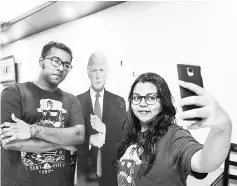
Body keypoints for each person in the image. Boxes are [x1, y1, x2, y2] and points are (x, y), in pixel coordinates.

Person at [116, 72, 232, 186]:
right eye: (136, 97)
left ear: (163, 102)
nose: (142, 103)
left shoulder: (174, 136)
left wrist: (222, 128)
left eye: (151, 98)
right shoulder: (130, 132)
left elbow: (204, 162)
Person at [1, 41, 85, 186]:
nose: (61, 68)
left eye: (66, 65)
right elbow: (10, 143)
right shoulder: (14, 93)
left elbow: (78, 136)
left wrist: (32, 130)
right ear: (41, 61)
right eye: (55, 61)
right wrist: (63, 143)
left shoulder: (71, 100)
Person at [77, 51, 126, 186]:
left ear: (107, 72)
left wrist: (105, 130)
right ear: (88, 72)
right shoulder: (76, 102)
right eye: (94, 71)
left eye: (101, 70)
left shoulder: (119, 101)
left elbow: (124, 136)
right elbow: (72, 136)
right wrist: (90, 140)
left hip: (112, 172)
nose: (98, 76)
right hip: (85, 174)